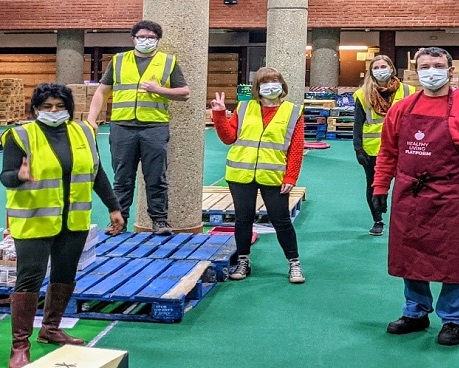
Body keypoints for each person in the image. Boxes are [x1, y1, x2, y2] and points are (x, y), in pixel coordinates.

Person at [371, 47, 459, 345]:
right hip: (410, 194)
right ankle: (415, 312)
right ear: (416, 71)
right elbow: (388, 152)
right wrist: (381, 186)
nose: (432, 71)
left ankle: (454, 318)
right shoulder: (402, 109)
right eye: (425, 66)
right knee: (411, 253)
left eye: (438, 65)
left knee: (454, 257)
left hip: (452, 193)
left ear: (450, 69)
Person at [1, 83, 125, 368]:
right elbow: (6, 176)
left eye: (60, 106)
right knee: (29, 277)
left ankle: (51, 328)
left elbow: (96, 173)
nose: (54, 111)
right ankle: (20, 345)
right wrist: (19, 176)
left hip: (74, 219)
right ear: (36, 109)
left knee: (65, 275)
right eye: (47, 107)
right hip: (34, 220)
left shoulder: (83, 132)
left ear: (69, 108)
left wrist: (114, 207)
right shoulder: (20, 135)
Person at [87, 20, 190, 235]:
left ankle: (159, 221)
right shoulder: (118, 61)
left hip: (154, 127)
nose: (146, 41)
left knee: (156, 177)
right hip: (122, 127)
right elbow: (101, 92)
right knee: (122, 177)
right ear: (133, 38)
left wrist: (159, 90)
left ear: (157, 40)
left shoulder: (167, 61)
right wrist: (91, 119)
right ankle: (119, 219)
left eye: (151, 38)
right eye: (141, 37)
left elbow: (184, 93)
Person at [211, 67, 306, 283]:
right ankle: (243, 260)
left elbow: (296, 148)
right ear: (257, 88)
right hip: (240, 173)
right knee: (243, 219)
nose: (271, 85)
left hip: (274, 176)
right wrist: (218, 115)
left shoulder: (293, 111)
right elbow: (228, 138)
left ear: (282, 85)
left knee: (281, 220)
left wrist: (291, 177)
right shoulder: (244, 108)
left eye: (275, 81)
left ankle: (294, 263)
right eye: (265, 82)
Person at [353, 55, 416, 236]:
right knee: (373, 185)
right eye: (376, 67)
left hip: (403, 148)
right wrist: (358, 147)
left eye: (383, 66)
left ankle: (405, 219)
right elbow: (358, 123)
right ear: (371, 71)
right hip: (373, 149)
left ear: (391, 68)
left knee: (406, 185)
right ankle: (377, 220)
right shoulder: (362, 94)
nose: (380, 70)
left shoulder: (408, 91)